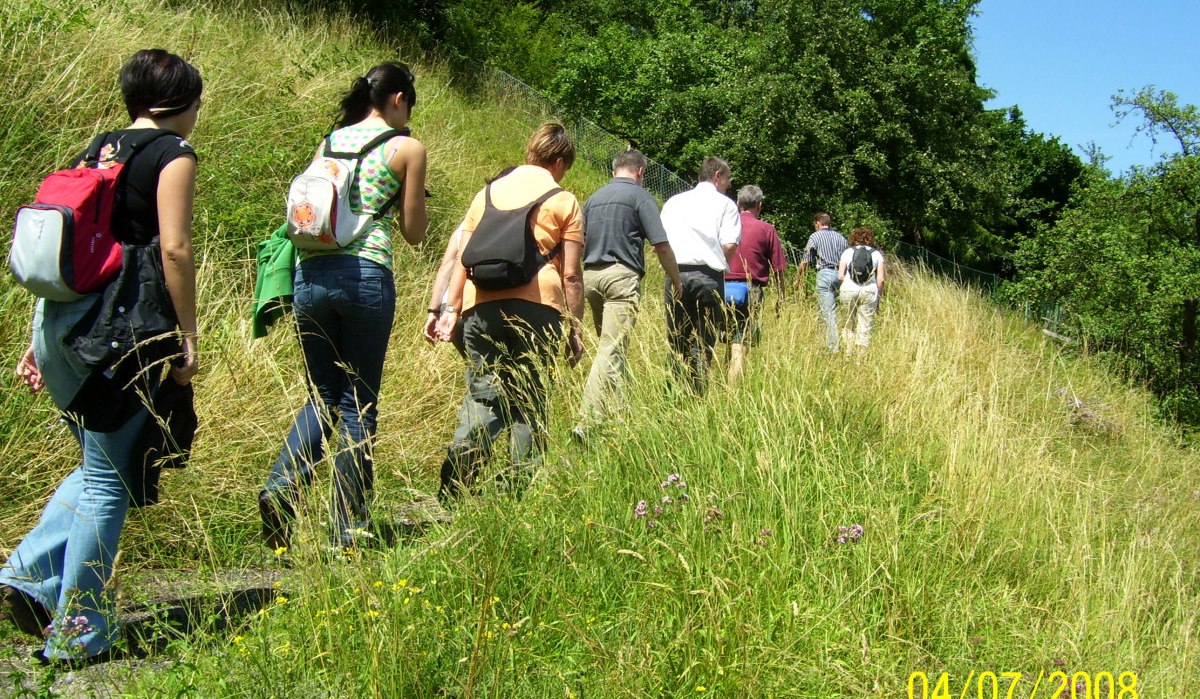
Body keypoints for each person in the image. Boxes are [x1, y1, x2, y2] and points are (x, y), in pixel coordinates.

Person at [2, 49, 202, 664]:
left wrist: (38, 340)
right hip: (124, 332)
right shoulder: (173, 154)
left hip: (66, 324)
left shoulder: (100, 148)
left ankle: (26, 574)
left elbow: (74, 248)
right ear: (183, 102)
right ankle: (77, 629)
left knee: (99, 464)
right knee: (108, 482)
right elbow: (174, 249)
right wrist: (189, 334)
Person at [259, 62, 428, 552]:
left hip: (310, 276)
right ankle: (345, 530)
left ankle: (282, 487)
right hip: (365, 276)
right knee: (358, 402)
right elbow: (415, 233)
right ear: (398, 98)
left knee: (322, 395)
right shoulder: (406, 148)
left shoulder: (330, 141)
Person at [435, 122, 585, 500]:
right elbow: (571, 275)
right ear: (559, 162)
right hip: (539, 308)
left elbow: (463, 260)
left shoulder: (486, 194)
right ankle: (519, 488)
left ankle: (461, 469)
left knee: (484, 394)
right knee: (529, 400)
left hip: (481, 306)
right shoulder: (564, 200)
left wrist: (451, 308)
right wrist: (575, 329)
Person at [573, 150, 682, 436]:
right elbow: (661, 246)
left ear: (614, 171)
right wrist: (676, 280)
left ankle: (621, 418)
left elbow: (578, 243)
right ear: (641, 171)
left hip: (591, 276)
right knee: (610, 349)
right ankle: (587, 421)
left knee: (613, 349)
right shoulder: (640, 197)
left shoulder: (593, 199)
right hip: (621, 278)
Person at [659, 156, 741, 394]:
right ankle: (697, 394)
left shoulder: (674, 202)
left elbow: (661, 242)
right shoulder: (726, 205)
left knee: (677, 339)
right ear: (717, 176)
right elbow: (729, 245)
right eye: (727, 179)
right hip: (708, 277)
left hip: (676, 274)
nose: (729, 184)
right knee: (704, 342)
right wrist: (717, 260)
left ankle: (675, 393)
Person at [724, 185, 787, 382]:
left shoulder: (725, 225)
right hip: (751, 290)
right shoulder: (766, 229)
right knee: (740, 343)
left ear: (737, 203)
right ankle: (732, 391)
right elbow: (779, 269)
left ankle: (722, 384)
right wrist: (781, 298)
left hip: (721, 287)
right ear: (759, 205)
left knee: (726, 341)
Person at [796, 212, 848, 352]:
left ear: (817, 223)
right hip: (841, 275)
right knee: (830, 309)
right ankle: (822, 342)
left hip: (825, 274)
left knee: (828, 312)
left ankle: (833, 348)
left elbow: (805, 260)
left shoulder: (815, 236)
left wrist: (798, 279)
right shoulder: (841, 238)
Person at [837, 226, 886, 351]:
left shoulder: (847, 252)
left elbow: (840, 276)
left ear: (854, 238)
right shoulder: (877, 254)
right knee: (865, 324)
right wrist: (878, 300)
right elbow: (881, 279)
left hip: (849, 288)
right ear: (870, 239)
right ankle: (861, 356)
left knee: (848, 322)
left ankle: (848, 353)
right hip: (869, 290)